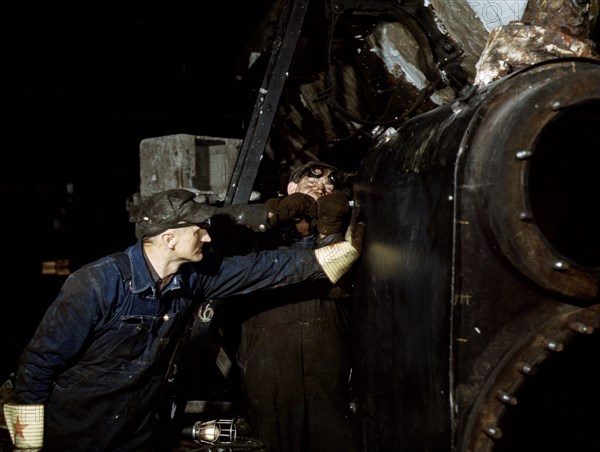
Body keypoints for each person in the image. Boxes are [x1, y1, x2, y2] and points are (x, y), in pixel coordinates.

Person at [4, 188, 359, 452]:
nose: (207, 235)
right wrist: (28, 447)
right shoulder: (95, 284)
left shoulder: (193, 277)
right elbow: (38, 364)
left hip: (138, 432)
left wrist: (342, 251)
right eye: (198, 230)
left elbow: (264, 269)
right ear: (170, 238)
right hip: (78, 434)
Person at [235, 161, 361, 452]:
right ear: (292, 189)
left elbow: (343, 282)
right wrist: (276, 217)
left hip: (326, 341)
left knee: (332, 432)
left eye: (329, 184)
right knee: (276, 433)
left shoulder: (346, 224)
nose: (322, 187)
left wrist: (331, 230)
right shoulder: (264, 226)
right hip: (270, 344)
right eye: (311, 182)